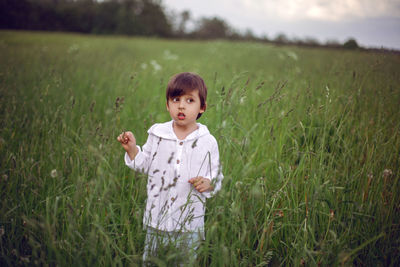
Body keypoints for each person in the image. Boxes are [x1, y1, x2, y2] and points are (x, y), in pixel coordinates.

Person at [117, 72, 223, 265]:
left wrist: (208, 183)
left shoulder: (207, 141)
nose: (181, 105)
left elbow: (216, 177)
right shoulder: (157, 134)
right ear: (167, 105)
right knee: (152, 262)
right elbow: (144, 163)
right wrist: (132, 149)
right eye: (175, 99)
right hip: (157, 221)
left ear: (202, 107)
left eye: (190, 100)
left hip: (189, 225)